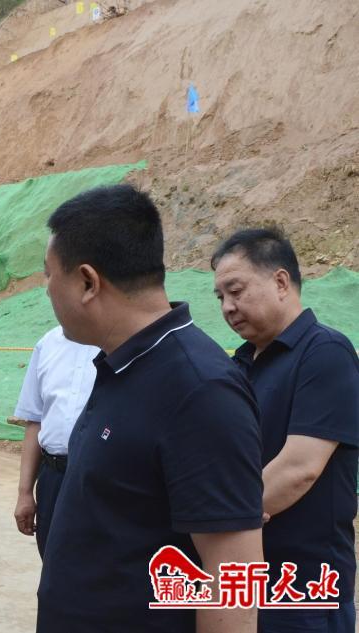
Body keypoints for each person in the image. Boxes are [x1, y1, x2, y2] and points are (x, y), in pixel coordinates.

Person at [36, 185, 264, 633]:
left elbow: (232, 574)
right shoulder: (122, 364)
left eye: (49, 275)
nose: (46, 289)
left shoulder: (200, 391)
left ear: (87, 282)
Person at [212, 228, 358, 633]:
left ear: (280, 281)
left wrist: (216, 522)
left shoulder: (325, 352)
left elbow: (299, 468)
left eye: (235, 291)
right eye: (220, 297)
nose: (227, 307)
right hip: (248, 576)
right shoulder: (240, 365)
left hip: (304, 588)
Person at [12, 325, 97, 560]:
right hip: (53, 476)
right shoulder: (47, 344)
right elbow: (35, 421)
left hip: (100, 477)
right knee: (53, 560)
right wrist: (24, 493)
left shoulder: (119, 342)